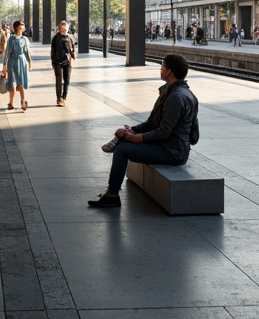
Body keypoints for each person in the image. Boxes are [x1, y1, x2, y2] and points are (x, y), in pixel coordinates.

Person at [89, 54, 199, 209]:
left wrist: (135, 138)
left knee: (122, 150)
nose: (160, 69)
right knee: (125, 139)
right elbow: (151, 123)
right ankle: (119, 141)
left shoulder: (176, 97)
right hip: (167, 145)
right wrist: (133, 130)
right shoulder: (173, 92)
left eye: (163, 66)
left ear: (171, 71)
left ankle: (112, 194)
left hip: (172, 151)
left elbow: (163, 132)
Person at [1, 19, 32, 111]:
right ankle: (10, 103)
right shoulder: (12, 38)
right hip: (12, 62)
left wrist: (29, 62)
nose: (23, 26)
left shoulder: (25, 39)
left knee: (21, 83)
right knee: (12, 84)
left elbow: (27, 52)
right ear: (17, 27)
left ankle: (23, 102)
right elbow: (7, 51)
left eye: (23, 25)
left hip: (22, 62)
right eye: (21, 25)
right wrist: (4, 64)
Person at [50, 19, 76, 107]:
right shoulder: (55, 38)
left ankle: (64, 97)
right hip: (57, 61)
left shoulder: (70, 37)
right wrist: (52, 62)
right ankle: (59, 98)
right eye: (62, 29)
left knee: (67, 80)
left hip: (67, 61)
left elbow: (73, 49)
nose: (64, 30)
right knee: (58, 80)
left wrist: (73, 59)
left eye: (65, 29)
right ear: (59, 28)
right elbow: (52, 51)